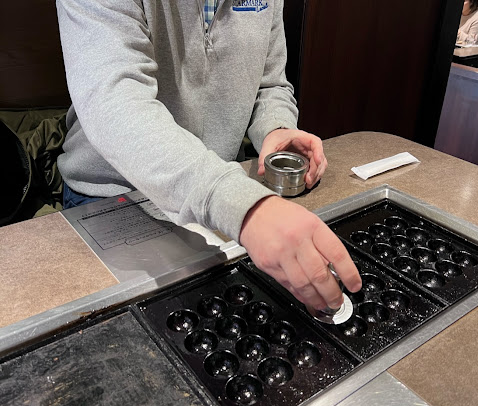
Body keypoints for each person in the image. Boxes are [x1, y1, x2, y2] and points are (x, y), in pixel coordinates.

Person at [55, 0, 362, 311]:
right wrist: (243, 205)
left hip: (219, 194)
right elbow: (115, 102)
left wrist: (276, 126)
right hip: (117, 196)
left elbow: (270, 84)